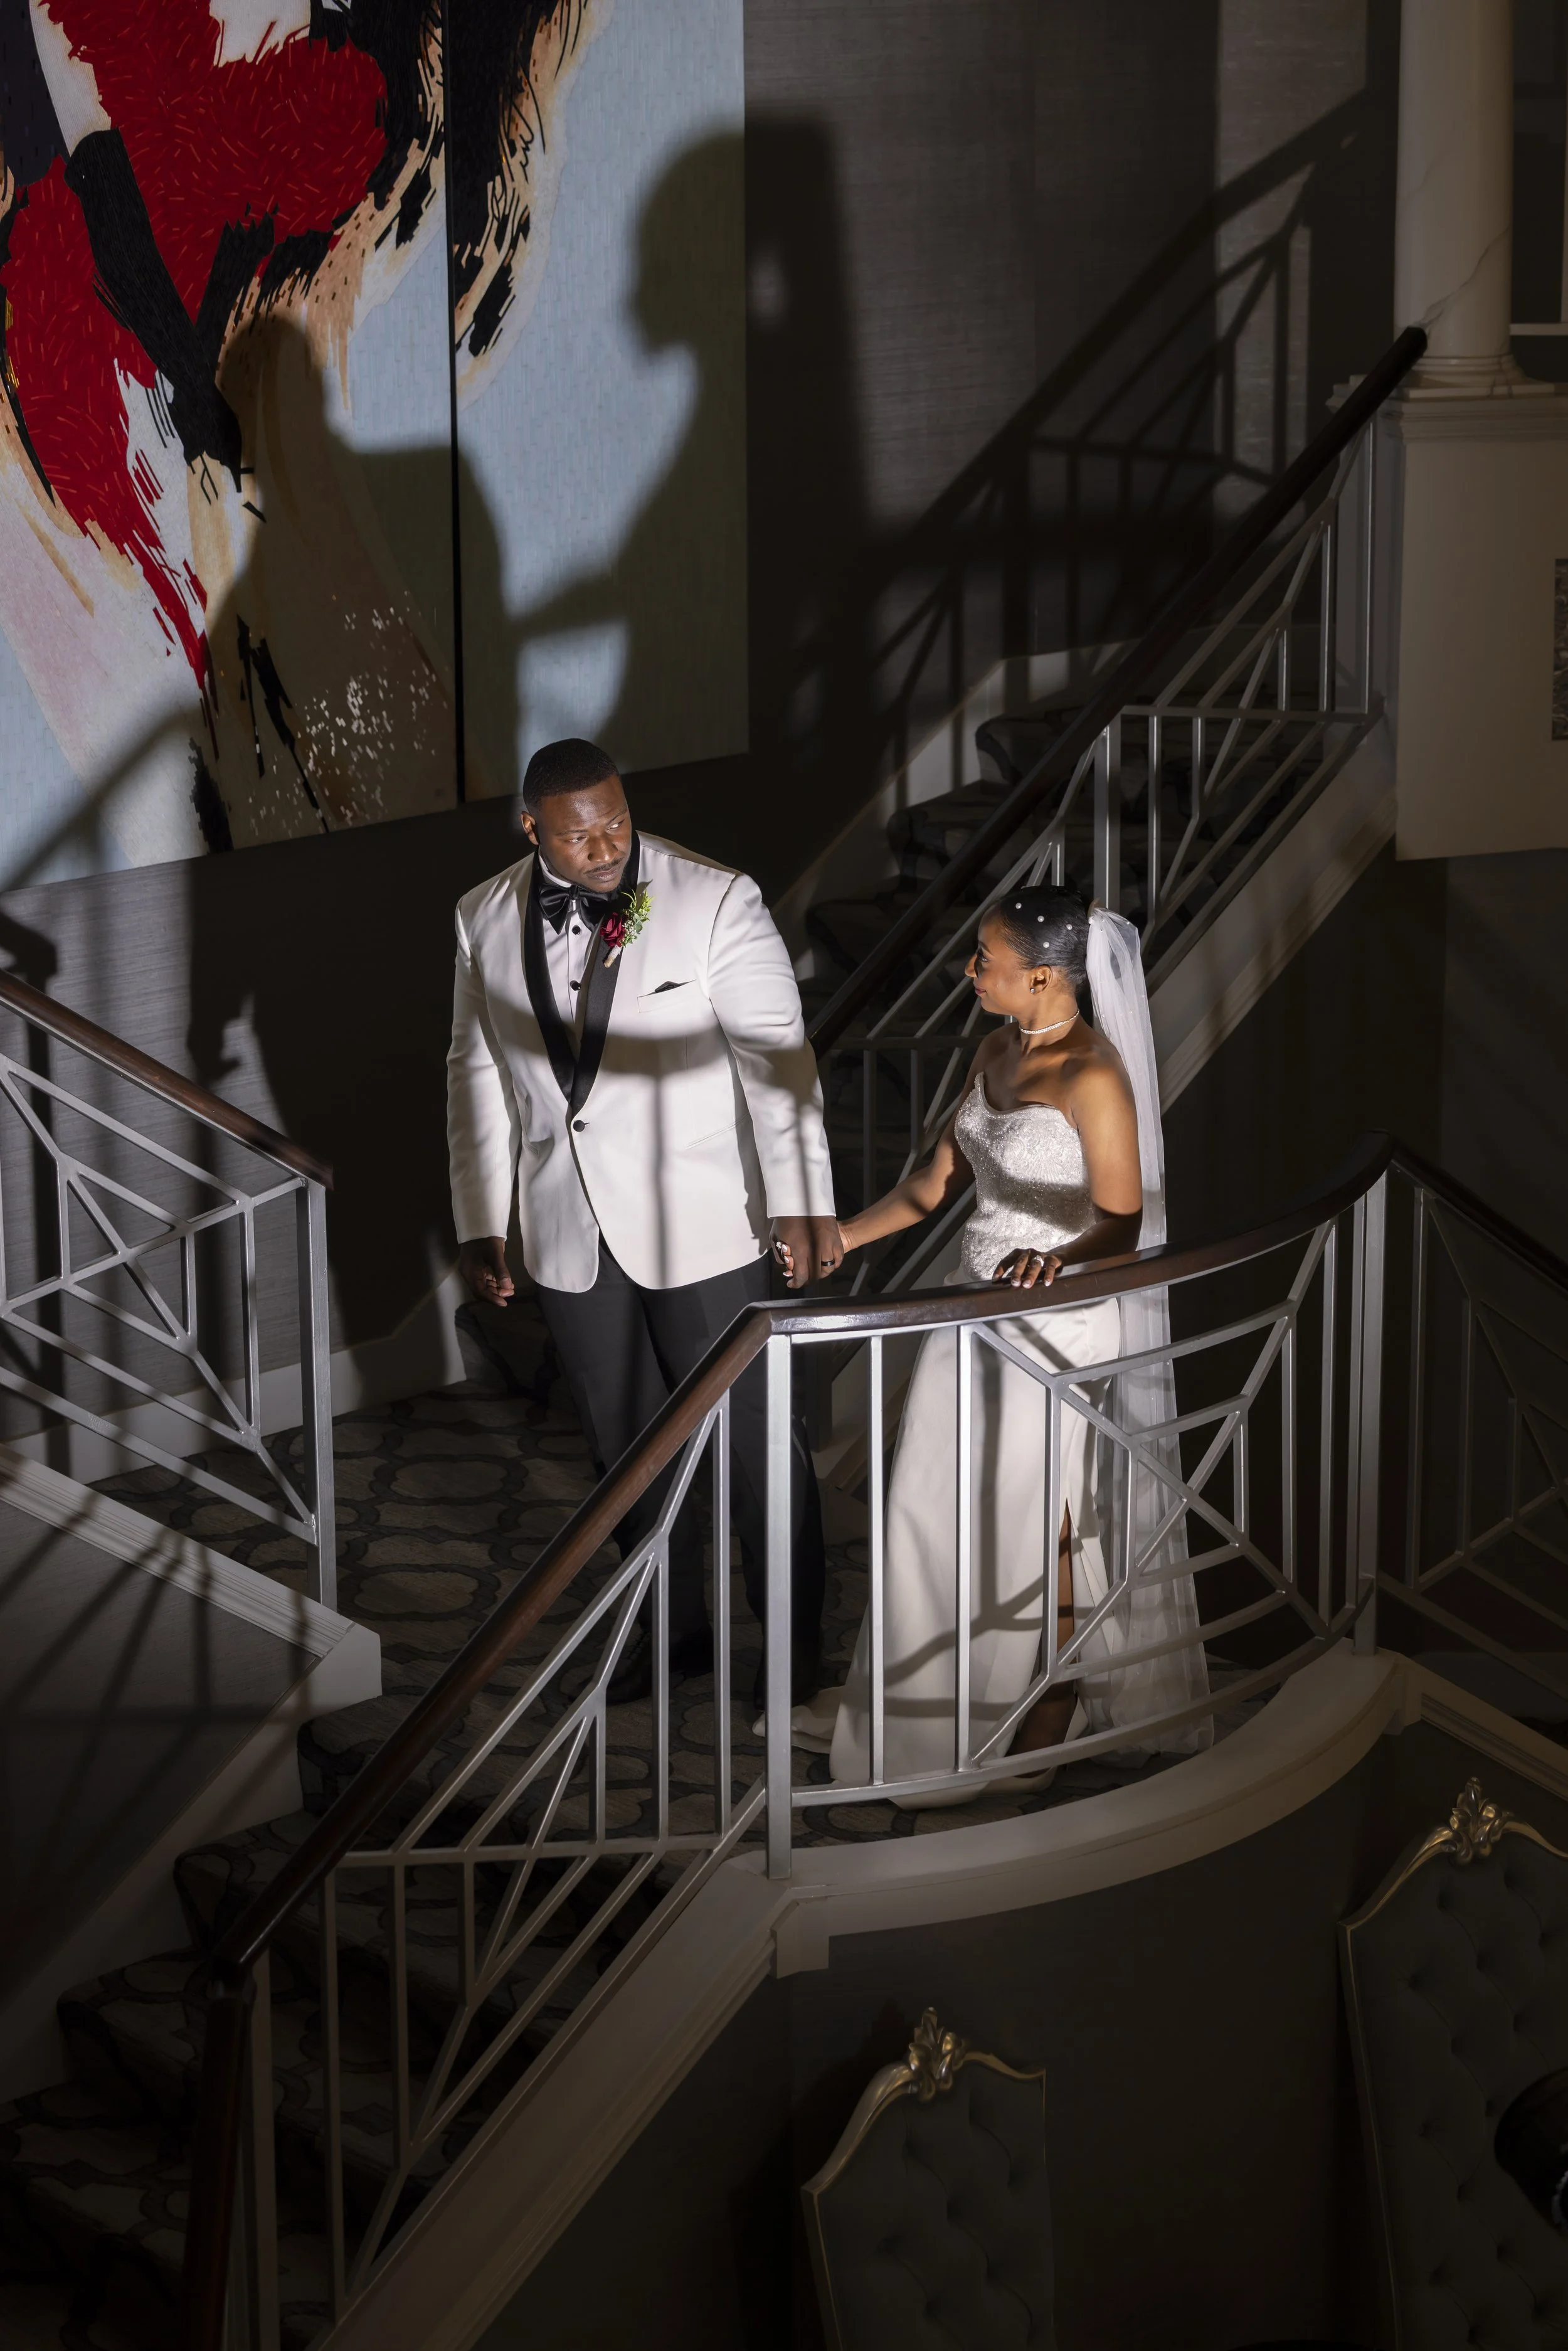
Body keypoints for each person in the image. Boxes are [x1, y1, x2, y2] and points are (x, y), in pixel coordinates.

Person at [784, 885, 1209, 1798]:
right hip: (966, 1317)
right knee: (932, 1513)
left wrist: (1054, 1262)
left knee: (1042, 1525)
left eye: (987, 962)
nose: (969, 972)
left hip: (1055, 1325)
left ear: (1046, 977)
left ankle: (1045, 1708)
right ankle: (924, 1713)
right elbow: (934, 1184)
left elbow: (1125, 1225)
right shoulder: (993, 1048)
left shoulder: (1094, 1078)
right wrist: (840, 1236)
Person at [447, 736, 842, 1707]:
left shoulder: (715, 898)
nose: (607, 846)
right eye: (580, 835)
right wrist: (480, 1217)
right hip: (569, 1231)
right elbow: (474, 1071)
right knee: (623, 1450)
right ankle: (671, 1635)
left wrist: (801, 1202)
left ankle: (794, 1649)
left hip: (705, 1226)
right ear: (532, 828)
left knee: (754, 1444)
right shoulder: (481, 917)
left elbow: (779, 1063)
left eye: (618, 821)